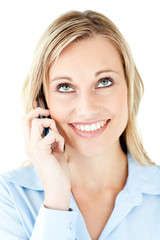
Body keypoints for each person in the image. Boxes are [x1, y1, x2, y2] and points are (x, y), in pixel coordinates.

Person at [0, 10, 160, 240]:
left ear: (129, 87)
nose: (87, 108)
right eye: (65, 87)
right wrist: (56, 198)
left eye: (104, 82)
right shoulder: (10, 196)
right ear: (42, 101)